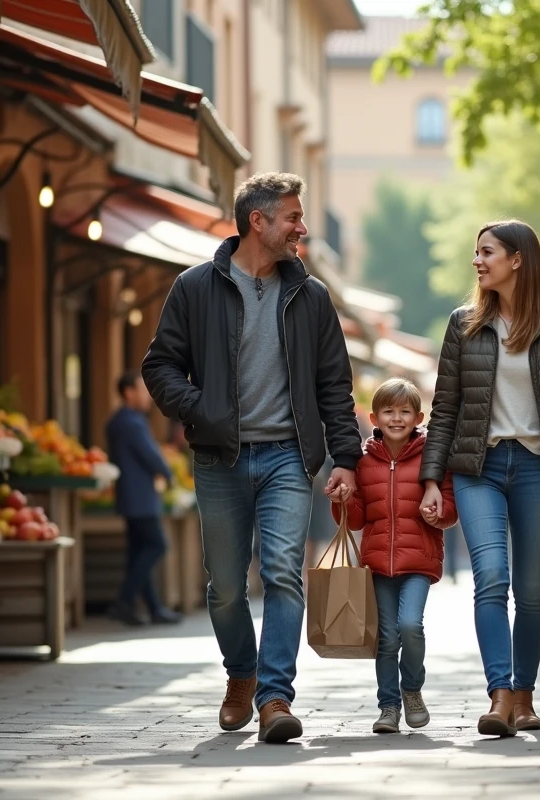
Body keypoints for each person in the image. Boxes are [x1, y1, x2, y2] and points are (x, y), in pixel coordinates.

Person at [142, 172, 361, 744]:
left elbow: (335, 384)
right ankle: (241, 673)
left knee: (285, 573)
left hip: (289, 457)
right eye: (292, 216)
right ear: (257, 221)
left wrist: (345, 458)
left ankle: (274, 696)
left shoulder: (311, 297)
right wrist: (200, 409)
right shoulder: (194, 287)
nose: (302, 227)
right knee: (224, 587)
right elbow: (159, 365)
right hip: (220, 458)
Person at [419, 219, 540, 737]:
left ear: (517, 259)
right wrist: (432, 479)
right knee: (491, 580)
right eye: (476, 253)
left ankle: (525, 695)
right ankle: (499, 695)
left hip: (538, 468)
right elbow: (445, 409)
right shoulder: (463, 325)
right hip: (478, 468)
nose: (477, 262)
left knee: (531, 589)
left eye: (487, 252)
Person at [333, 378, 457, 735]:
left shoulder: (432, 458)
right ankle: (388, 706)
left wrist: (439, 513)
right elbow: (356, 519)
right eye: (389, 411)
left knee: (409, 626)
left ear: (419, 416)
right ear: (374, 416)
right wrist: (339, 499)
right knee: (386, 637)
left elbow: (449, 508)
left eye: (405, 411)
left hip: (418, 562)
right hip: (376, 566)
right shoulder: (362, 462)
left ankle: (412, 689)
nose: (397, 418)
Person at [105, 371, 180, 627]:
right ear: (128, 393)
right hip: (141, 498)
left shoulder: (119, 421)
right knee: (157, 545)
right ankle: (124, 601)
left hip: (130, 497)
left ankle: (154, 608)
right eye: (143, 390)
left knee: (139, 551)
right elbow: (151, 456)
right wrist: (168, 473)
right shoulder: (132, 422)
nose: (148, 396)